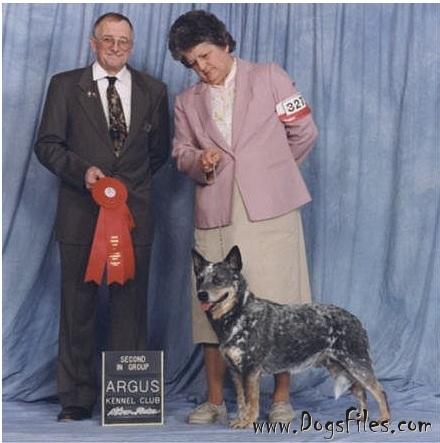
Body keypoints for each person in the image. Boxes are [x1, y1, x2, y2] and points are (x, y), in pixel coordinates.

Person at [168, 10, 318, 424]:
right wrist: (200, 161)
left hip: (271, 212)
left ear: (224, 42)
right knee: (210, 307)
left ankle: (281, 398)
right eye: (192, 63)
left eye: (205, 55)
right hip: (214, 212)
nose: (202, 67)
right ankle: (215, 400)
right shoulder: (186, 102)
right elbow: (180, 152)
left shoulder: (271, 76)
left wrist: (273, 174)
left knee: (281, 305)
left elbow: (304, 130)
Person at [34, 12, 169, 421]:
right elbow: (47, 145)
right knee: (77, 307)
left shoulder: (154, 90)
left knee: (131, 307)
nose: (115, 47)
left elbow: (158, 153)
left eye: (123, 41)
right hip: (79, 212)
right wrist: (84, 173)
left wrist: (128, 188)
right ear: (93, 43)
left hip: (134, 214)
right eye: (107, 39)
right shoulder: (64, 85)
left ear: (132, 46)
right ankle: (76, 398)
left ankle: (126, 399)